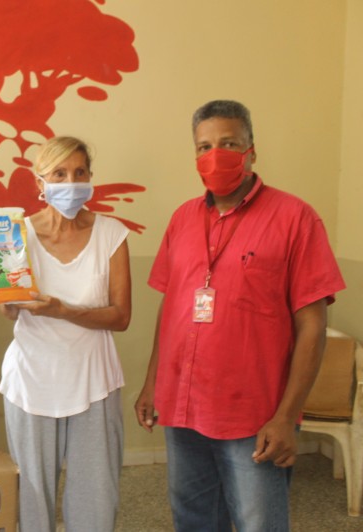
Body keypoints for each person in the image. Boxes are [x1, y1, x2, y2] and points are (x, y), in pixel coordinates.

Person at [134, 100, 346, 531]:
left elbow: (312, 325)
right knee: (193, 519)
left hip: (253, 414)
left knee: (258, 523)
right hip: (184, 406)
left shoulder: (295, 218)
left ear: (252, 150)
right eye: (204, 146)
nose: (216, 155)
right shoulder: (182, 219)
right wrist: (153, 383)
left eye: (229, 143)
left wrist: (287, 416)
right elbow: (171, 308)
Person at [0, 136, 131, 532]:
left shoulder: (112, 234)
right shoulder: (16, 234)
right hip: (31, 381)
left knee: (96, 497)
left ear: (90, 178)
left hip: (94, 380)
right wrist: (0, 295)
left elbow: (121, 316)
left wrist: (62, 311)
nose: (71, 182)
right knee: (32, 497)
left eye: (80, 172)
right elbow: (9, 310)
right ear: (40, 182)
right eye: (59, 174)